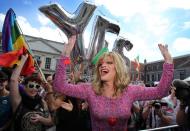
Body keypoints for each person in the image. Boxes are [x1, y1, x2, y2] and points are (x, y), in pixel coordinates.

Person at [53, 35, 174, 130]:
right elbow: (60, 86)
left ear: (118, 68)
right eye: (100, 64)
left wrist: (168, 62)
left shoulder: (130, 91)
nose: (103, 66)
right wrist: (65, 55)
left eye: (109, 63)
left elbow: (161, 91)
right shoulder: (90, 89)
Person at [10, 54, 53, 131]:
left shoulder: (42, 101)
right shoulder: (18, 100)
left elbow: (50, 121)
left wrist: (41, 119)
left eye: (37, 86)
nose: (34, 89)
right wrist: (23, 59)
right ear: (25, 86)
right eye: (31, 86)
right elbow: (13, 80)